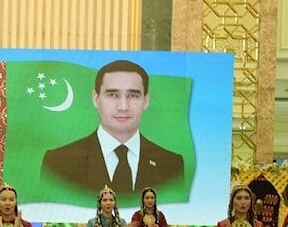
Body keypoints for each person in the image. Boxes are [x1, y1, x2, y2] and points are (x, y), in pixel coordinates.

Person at [40, 59, 184, 197]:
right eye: (113, 95)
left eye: (132, 95)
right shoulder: (59, 162)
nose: (123, 107)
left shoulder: (171, 165)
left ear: (146, 101)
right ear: (96, 99)